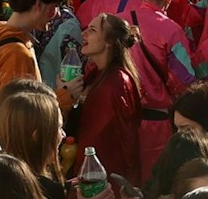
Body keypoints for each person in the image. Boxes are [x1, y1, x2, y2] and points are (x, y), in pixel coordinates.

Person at [63, 11, 148, 184]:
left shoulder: (114, 84)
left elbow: (98, 139)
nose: (83, 34)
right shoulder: (96, 73)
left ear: (109, 42)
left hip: (102, 178)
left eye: (92, 30)